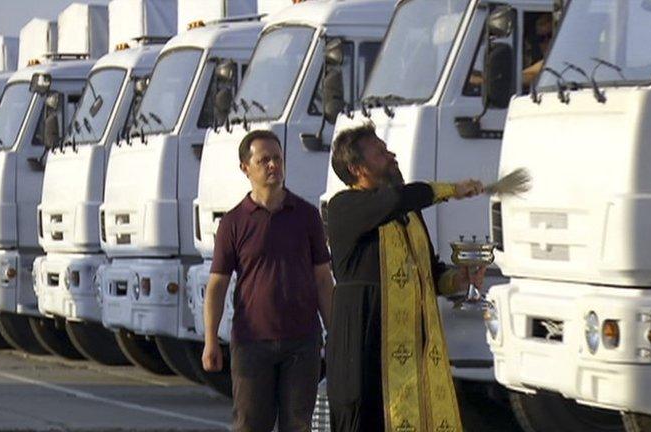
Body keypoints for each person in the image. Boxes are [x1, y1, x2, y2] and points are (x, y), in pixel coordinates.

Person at [325, 123, 486, 432]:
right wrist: (451, 190)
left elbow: (432, 272)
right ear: (356, 168)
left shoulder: (409, 213)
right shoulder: (344, 207)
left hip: (412, 352)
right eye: (381, 153)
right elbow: (395, 200)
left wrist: (460, 280)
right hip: (364, 347)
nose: (392, 156)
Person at [202, 130, 334, 432]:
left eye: (277, 159)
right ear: (245, 168)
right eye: (264, 160)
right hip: (251, 343)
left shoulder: (307, 216)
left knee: (298, 424)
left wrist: (334, 332)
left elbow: (323, 280)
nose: (273, 165)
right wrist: (211, 340)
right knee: (250, 424)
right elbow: (217, 286)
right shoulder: (234, 222)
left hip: (302, 341)